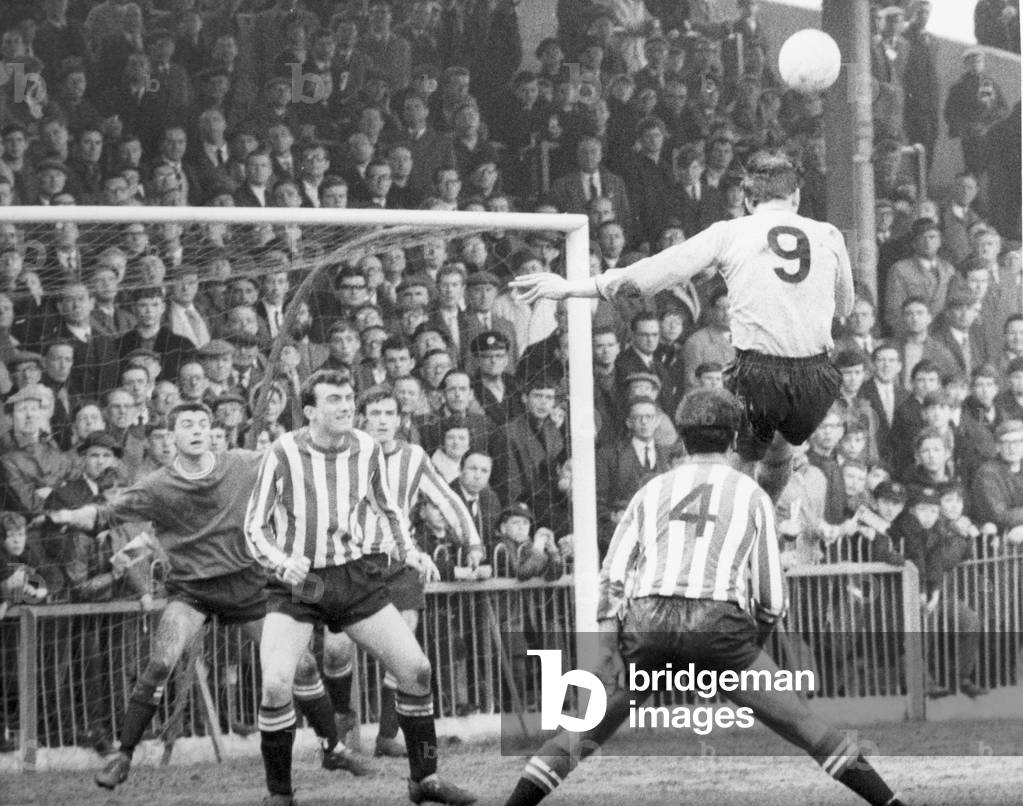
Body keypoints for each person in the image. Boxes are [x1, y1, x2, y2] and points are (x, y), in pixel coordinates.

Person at [503, 388, 906, 806]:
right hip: (718, 626)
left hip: (649, 623)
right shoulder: (750, 493)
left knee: (582, 732)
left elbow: (613, 572)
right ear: (734, 438)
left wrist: (607, 643)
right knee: (806, 726)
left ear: (681, 435)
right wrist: (749, 647)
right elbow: (772, 596)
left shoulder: (651, 491)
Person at [46, 401, 365, 791]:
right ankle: (123, 756)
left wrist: (327, 424)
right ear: (171, 435)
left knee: (304, 666)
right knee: (161, 662)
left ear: (213, 431)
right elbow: (104, 514)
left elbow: (291, 451)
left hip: (246, 586)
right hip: (192, 591)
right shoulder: (156, 485)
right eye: (187, 424)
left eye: (202, 423)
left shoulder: (242, 463)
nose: (196, 430)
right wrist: (65, 517)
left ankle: (332, 747)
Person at [512, 150, 854, 500]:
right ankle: (761, 515)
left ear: (749, 201)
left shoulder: (730, 232)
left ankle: (726, 522)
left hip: (761, 369)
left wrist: (573, 287)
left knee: (741, 459)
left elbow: (651, 275)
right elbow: (845, 306)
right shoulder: (829, 234)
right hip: (815, 375)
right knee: (778, 454)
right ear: (795, 197)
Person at [244, 369, 475, 806]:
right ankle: (280, 794)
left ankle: (424, 779)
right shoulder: (283, 451)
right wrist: (280, 562)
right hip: (301, 583)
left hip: (353, 577)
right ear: (310, 411)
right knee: (275, 683)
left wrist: (408, 551)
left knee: (417, 670)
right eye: (334, 399)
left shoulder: (366, 447)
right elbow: (254, 526)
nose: (346, 406)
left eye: (349, 397)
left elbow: (387, 508)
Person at [316, 387, 483, 759]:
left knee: (404, 647)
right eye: (375, 414)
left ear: (400, 419)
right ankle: (342, 713)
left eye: (389, 413)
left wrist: (472, 542)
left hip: (398, 561)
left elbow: (446, 498)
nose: (382, 421)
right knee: (336, 651)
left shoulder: (413, 456)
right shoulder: (341, 453)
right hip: (349, 562)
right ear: (362, 418)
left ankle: (388, 735)